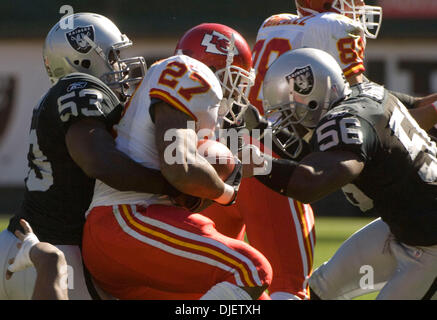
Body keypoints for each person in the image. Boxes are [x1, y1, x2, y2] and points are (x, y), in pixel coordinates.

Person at [0, 12, 197, 300]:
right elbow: (98, 161)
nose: (120, 66)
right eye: (113, 56)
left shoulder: (56, 96)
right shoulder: (81, 88)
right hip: (59, 253)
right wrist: (170, 186)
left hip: (22, 244)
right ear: (83, 59)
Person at [81, 23, 272, 300]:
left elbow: (231, 164)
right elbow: (179, 168)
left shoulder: (199, 100)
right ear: (219, 65)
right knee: (251, 270)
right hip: (124, 220)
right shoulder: (188, 72)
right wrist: (227, 191)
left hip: (145, 223)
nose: (239, 88)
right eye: (236, 76)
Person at [253, 47, 437, 300]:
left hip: (431, 245)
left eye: (289, 110)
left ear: (313, 98)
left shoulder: (346, 122)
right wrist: (260, 131)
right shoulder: (367, 96)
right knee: (319, 290)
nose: (288, 119)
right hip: (402, 227)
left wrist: (249, 161)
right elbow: (317, 155)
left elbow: (311, 182)